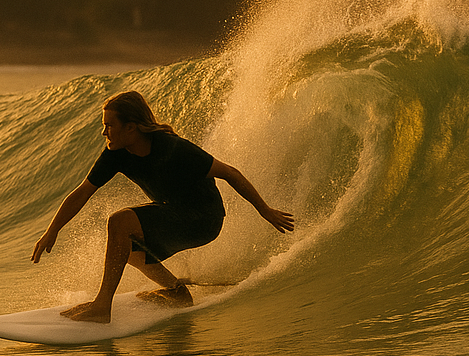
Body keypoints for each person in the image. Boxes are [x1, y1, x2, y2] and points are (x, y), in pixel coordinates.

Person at [31, 90, 294, 323]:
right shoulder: (116, 153)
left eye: (109, 125)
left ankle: (102, 307)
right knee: (125, 247)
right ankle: (176, 292)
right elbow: (82, 193)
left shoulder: (172, 148)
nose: (104, 132)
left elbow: (230, 173)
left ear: (131, 127)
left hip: (204, 219)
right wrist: (52, 230)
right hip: (174, 213)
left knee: (119, 222)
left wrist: (266, 211)